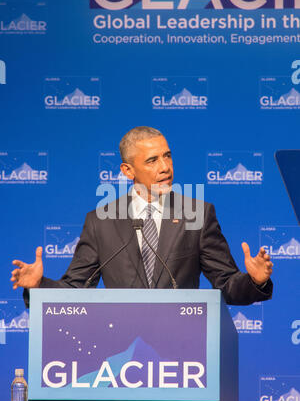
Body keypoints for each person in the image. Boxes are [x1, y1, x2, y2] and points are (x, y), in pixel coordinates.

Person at [11, 126, 273, 307]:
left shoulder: (196, 214)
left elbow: (226, 284)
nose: (165, 167)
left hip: (183, 345)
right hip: (122, 347)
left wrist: (254, 280)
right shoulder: (101, 221)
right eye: (152, 160)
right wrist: (38, 286)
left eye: (167, 156)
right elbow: (76, 290)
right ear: (128, 170)